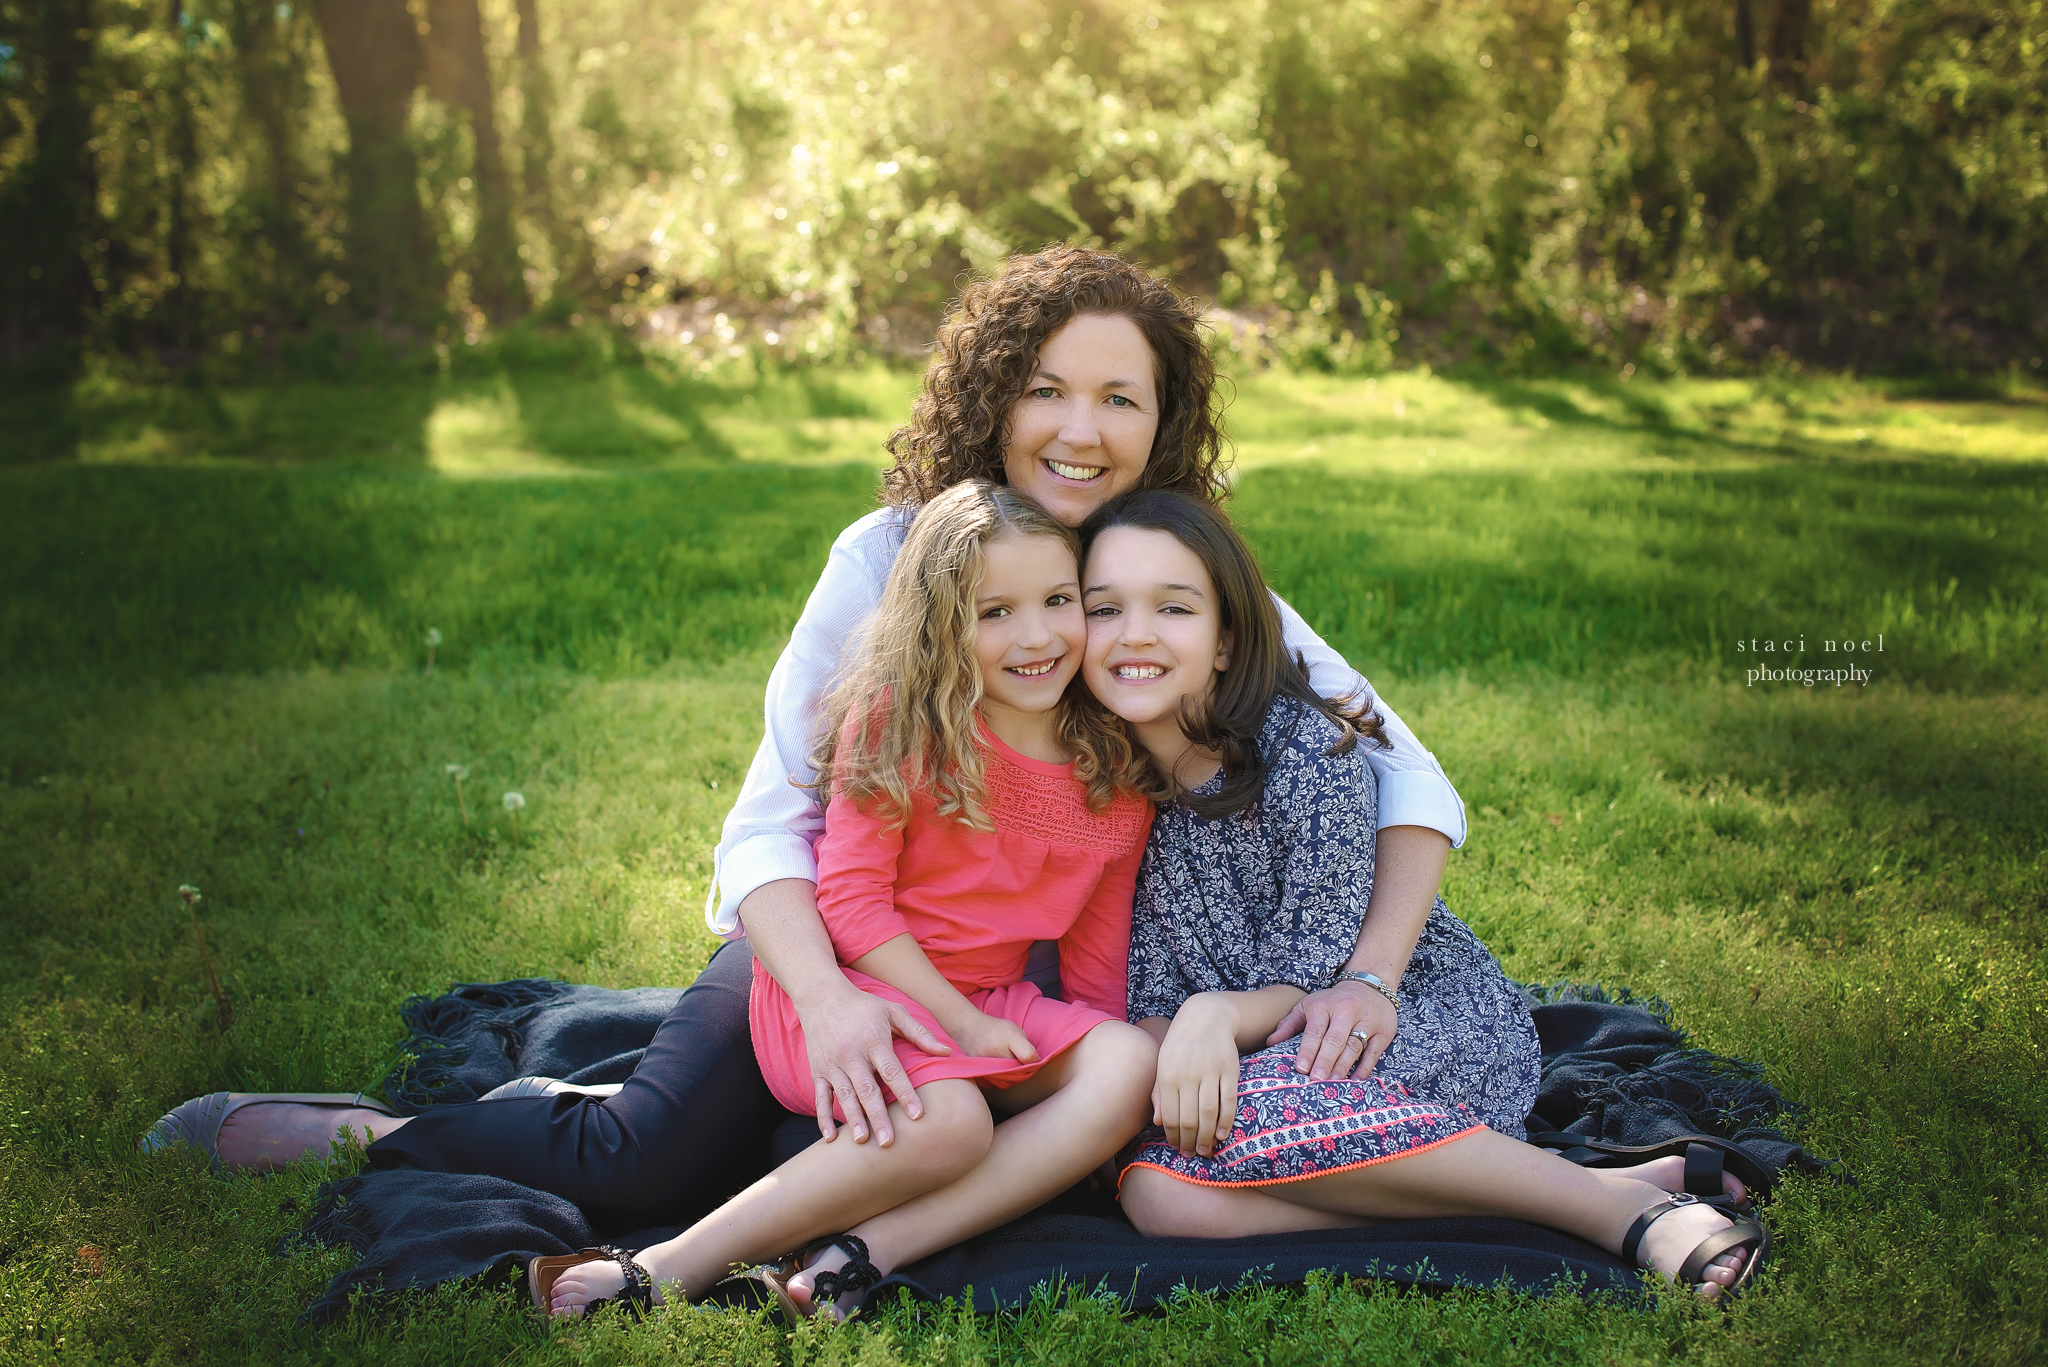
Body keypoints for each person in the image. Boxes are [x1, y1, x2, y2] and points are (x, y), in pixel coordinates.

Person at [144, 246, 1470, 1232]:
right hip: (835, 936)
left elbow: (1398, 765)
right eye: (1050, 390)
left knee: (1004, 1145)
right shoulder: (893, 557)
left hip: (1009, 987)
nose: (1082, 430)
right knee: (652, 1166)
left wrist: (1369, 978)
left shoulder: (1176, 570)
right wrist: (834, 1003)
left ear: (1163, 419)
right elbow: (772, 818)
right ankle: (370, 1135)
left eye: (1121, 399)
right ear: (997, 398)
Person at [1077, 489, 1768, 1300]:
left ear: (1227, 638)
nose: (1135, 633)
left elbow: (1318, 984)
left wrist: (1213, 1017)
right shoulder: (1111, 793)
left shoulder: (1305, 751)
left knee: (1231, 1126)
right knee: (1160, 1192)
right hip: (1269, 1066)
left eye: (1174, 607)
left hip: (1395, 1020)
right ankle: (1522, 1192)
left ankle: (1618, 1212)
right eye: (1104, 607)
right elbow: (1150, 996)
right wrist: (1182, 1046)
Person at [540, 481, 1158, 1320]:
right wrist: (965, 1026)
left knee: (1125, 1059)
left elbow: (1094, 951)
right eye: (996, 611)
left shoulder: (1112, 767)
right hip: (850, 991)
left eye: (1057, 600)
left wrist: (1090, 1100)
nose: (1038, 635)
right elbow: (854, 903)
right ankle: (671, 1262)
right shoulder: (901, 721)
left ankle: (868, 1248)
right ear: (941, 624)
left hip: (981, 998)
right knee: (954, 1124)